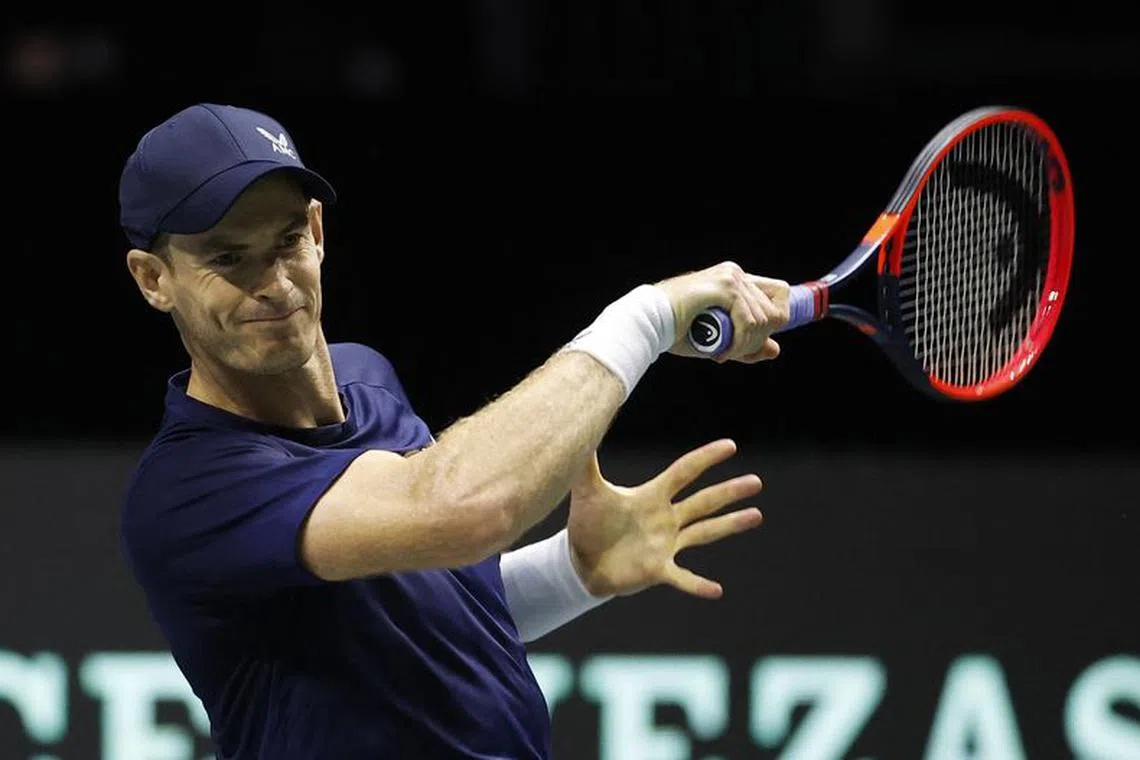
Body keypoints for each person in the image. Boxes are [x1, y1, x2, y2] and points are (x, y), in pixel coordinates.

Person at [118, 102, 791, 759]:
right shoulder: (191, 488)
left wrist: (569, 572)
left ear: (317, 232)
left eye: (287, 241)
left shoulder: (367, 379)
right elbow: (464, 510)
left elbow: (404, 627)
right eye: (228, 260)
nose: (273, 283)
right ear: (154, 280)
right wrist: (648, 317)